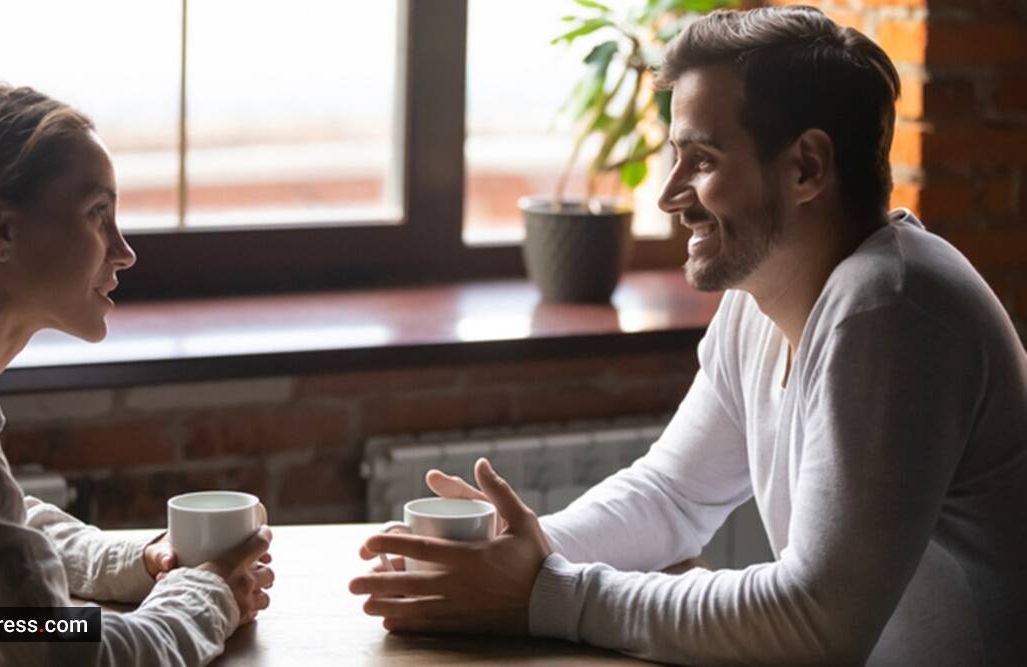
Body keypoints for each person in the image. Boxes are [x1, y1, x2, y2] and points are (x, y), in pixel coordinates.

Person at [349, 7, 1027, 664]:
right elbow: (672, 493)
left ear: (807, 168)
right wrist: (520, 552)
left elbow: (818, 621)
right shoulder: (760, 296)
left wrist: (541, 591)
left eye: (700, 159)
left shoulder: (891, 306)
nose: (670, 194)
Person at [0, 84, 274, 665]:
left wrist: (141, 562)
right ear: (0, 229)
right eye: (97, 214)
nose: (123, 251)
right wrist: (208, 594)